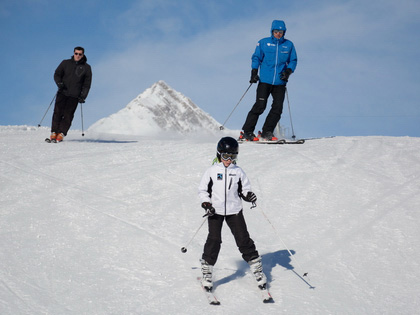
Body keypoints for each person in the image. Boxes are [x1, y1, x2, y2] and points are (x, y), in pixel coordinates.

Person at [198, 137, 267, 291]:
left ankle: (257, 268)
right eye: (225, 157)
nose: (228, 160)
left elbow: (244, 189)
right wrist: (206, 203)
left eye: (232, 157)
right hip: (215, 211)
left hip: (234, 211)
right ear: (219, 154)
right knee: (214, 240)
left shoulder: (238, 172)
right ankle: (207, 270)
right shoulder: (211, 171)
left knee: (243, 239)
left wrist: (249, 196)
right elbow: (203, 190)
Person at [241, 20, 297, 141]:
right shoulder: (263, 43)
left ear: (284, 32)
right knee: (260, 106)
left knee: (277, 109)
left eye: (281, 32)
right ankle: (247, 132)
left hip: (280, 82)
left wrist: (288, 71)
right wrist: (254, 72)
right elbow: (256, 57)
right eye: (276, 31)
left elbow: (293, 60)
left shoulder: (289, 45)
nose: (278, 34)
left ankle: (267, 132)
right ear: (272, 31)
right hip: (265, 81)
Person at [48, 46, 92, 142]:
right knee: (57, 112)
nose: (78, 56)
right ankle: (54, 132)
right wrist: (59, 83)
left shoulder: (87, 68)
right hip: (62, 92)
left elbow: (87, 84)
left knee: (68, 115)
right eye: (76, 53)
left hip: (74, 95)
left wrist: (83, 96)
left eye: (80, 54)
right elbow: (57, 74)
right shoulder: (65, 63)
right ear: (73, 53)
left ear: (83, 55)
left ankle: (61, 133)